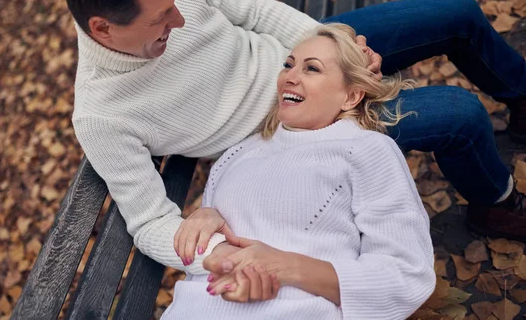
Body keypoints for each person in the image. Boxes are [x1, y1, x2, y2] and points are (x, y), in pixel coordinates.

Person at [60, 0, 526, 276]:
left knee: (459, 13)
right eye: (162, 17)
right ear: (103, 28)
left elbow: (256, 12)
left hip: (302, 55)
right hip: (292, 132)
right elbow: (148, 222)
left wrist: (333, 48)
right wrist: (215, 257)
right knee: (460, 114)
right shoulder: (103, 115)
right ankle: (495, 203)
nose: (180, 20)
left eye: (175, 1)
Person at [162, 23, 436, 319]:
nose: (290, 77)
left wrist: (284, 267)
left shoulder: (366, 149)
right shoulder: (238, 154)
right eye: (288, 65)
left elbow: (407, 274)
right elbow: (204, 259)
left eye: (312, 69)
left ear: (351, 96)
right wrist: (207, 219)